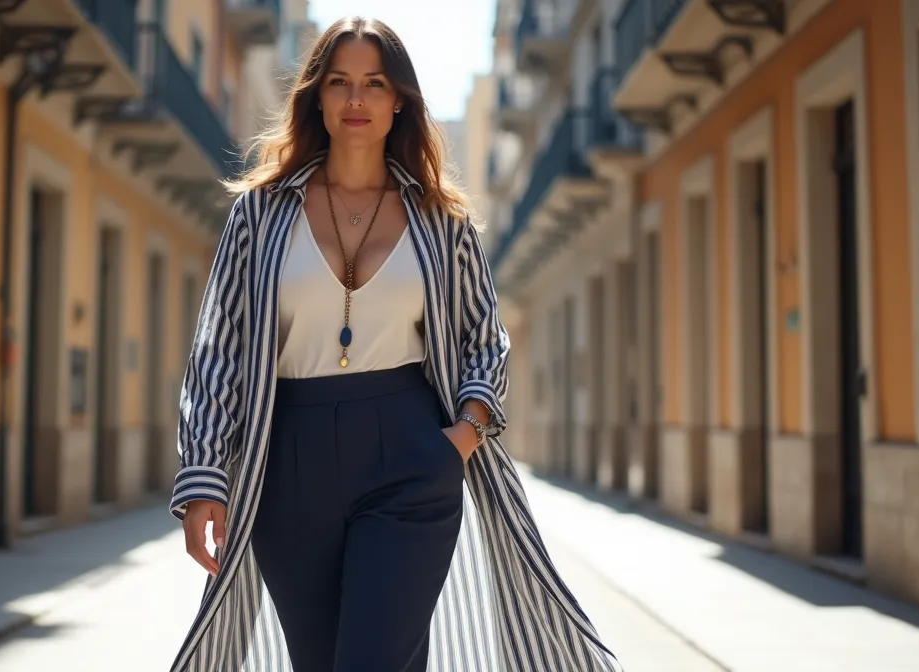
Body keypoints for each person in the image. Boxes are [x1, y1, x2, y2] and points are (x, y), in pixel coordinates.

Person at [168, 15, 622, 672]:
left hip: (409, 459)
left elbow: (483, 339)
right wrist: (205, 475)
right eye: (340, 83)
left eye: (374, 84)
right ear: (316, 96)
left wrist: (463, 435)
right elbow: (220, 348)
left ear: (399, 99)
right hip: (285, 462)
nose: (356, 101)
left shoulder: (442, 219)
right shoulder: (260, 214)